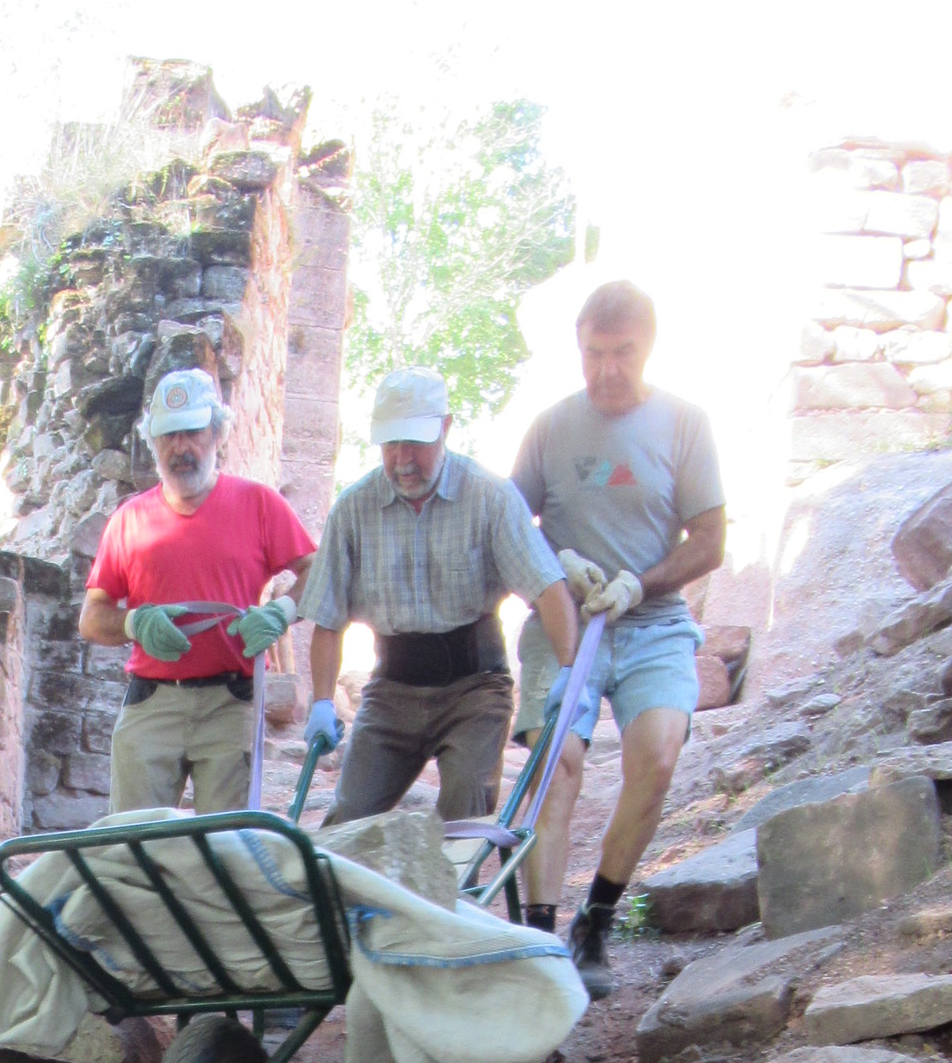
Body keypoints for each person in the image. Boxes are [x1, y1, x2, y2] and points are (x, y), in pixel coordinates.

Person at [513, 281, 727, 993]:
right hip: (567, 621)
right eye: (593, 354)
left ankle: (596, 921)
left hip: (652, 621)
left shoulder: (684, 424)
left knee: (658, 757)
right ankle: (539, 942)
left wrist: (642, 583)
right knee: (558, 763)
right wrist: (557, 566)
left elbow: (711, 540)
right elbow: (510, 528)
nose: (607, 370)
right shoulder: (550, 428)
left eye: (623, 353)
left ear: (649, 348)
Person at [300, 368, 578, 832]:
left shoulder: (489, 497)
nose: (403, 460)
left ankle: (458, 876)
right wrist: (322, 702)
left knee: (465, 814)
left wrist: (569, 671)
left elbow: (548, 587)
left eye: (415, 443)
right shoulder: (352, 510)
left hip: (474, 688)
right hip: (392, 691)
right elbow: (328, 619)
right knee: (346, 822)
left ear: (446, 428)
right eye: (391, 445)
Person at [80, 367, 317, 815]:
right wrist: (134, 622)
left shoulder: (259, 504)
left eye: (192, 432)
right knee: (133, 844)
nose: (180, 447)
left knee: (224, 846)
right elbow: (91, 617)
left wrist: (282, 611)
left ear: (217, 433)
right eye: (168, 435)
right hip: (152, 702)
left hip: (231, 704)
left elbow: (317, 571)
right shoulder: (128, 520)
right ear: (152, 442)